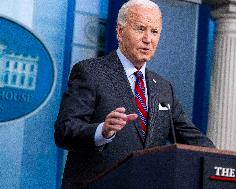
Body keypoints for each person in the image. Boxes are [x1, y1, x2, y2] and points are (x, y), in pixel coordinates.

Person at [54, 0, 214, 188]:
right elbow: (65, 131)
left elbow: (192, 138)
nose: (148, 39)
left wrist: (225, 163)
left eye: (154, 32)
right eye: (140, 29)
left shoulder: (164, 88)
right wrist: (102, 131)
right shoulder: (90, 72)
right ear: (120, 32)